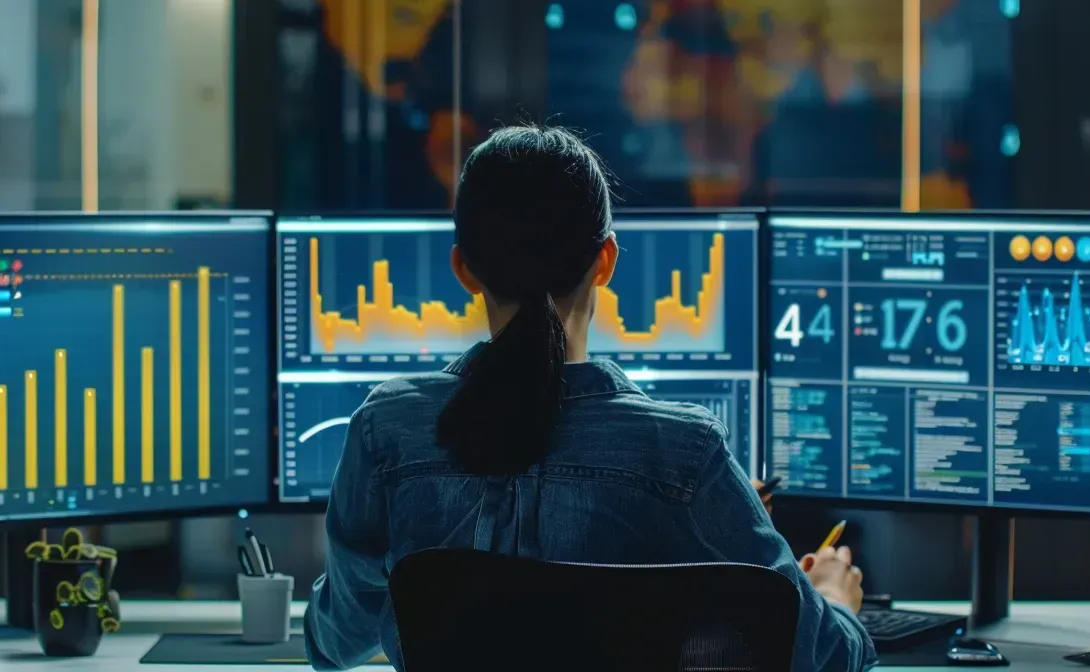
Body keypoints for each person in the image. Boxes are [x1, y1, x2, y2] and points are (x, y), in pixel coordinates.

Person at [304, 125, 877, 671]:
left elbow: (336, 643)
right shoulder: (684, 453)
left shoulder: (386, 429)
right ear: (606, 260)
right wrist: (831, 593)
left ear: (464, 269)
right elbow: (823, 657)